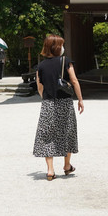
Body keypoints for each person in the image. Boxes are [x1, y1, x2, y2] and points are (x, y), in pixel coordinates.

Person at [33, 34, 84, 180]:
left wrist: (46, 100)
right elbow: (74, 81)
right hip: (65, 103)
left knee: (47, 135)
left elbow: (40, 86)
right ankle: (67, 165)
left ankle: (50, 170)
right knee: (67, 132)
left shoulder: (41, 66)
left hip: (48, 104)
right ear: (57, 47)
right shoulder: (66, 61)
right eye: (61, 45)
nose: (63, 47)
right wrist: (80, 100)